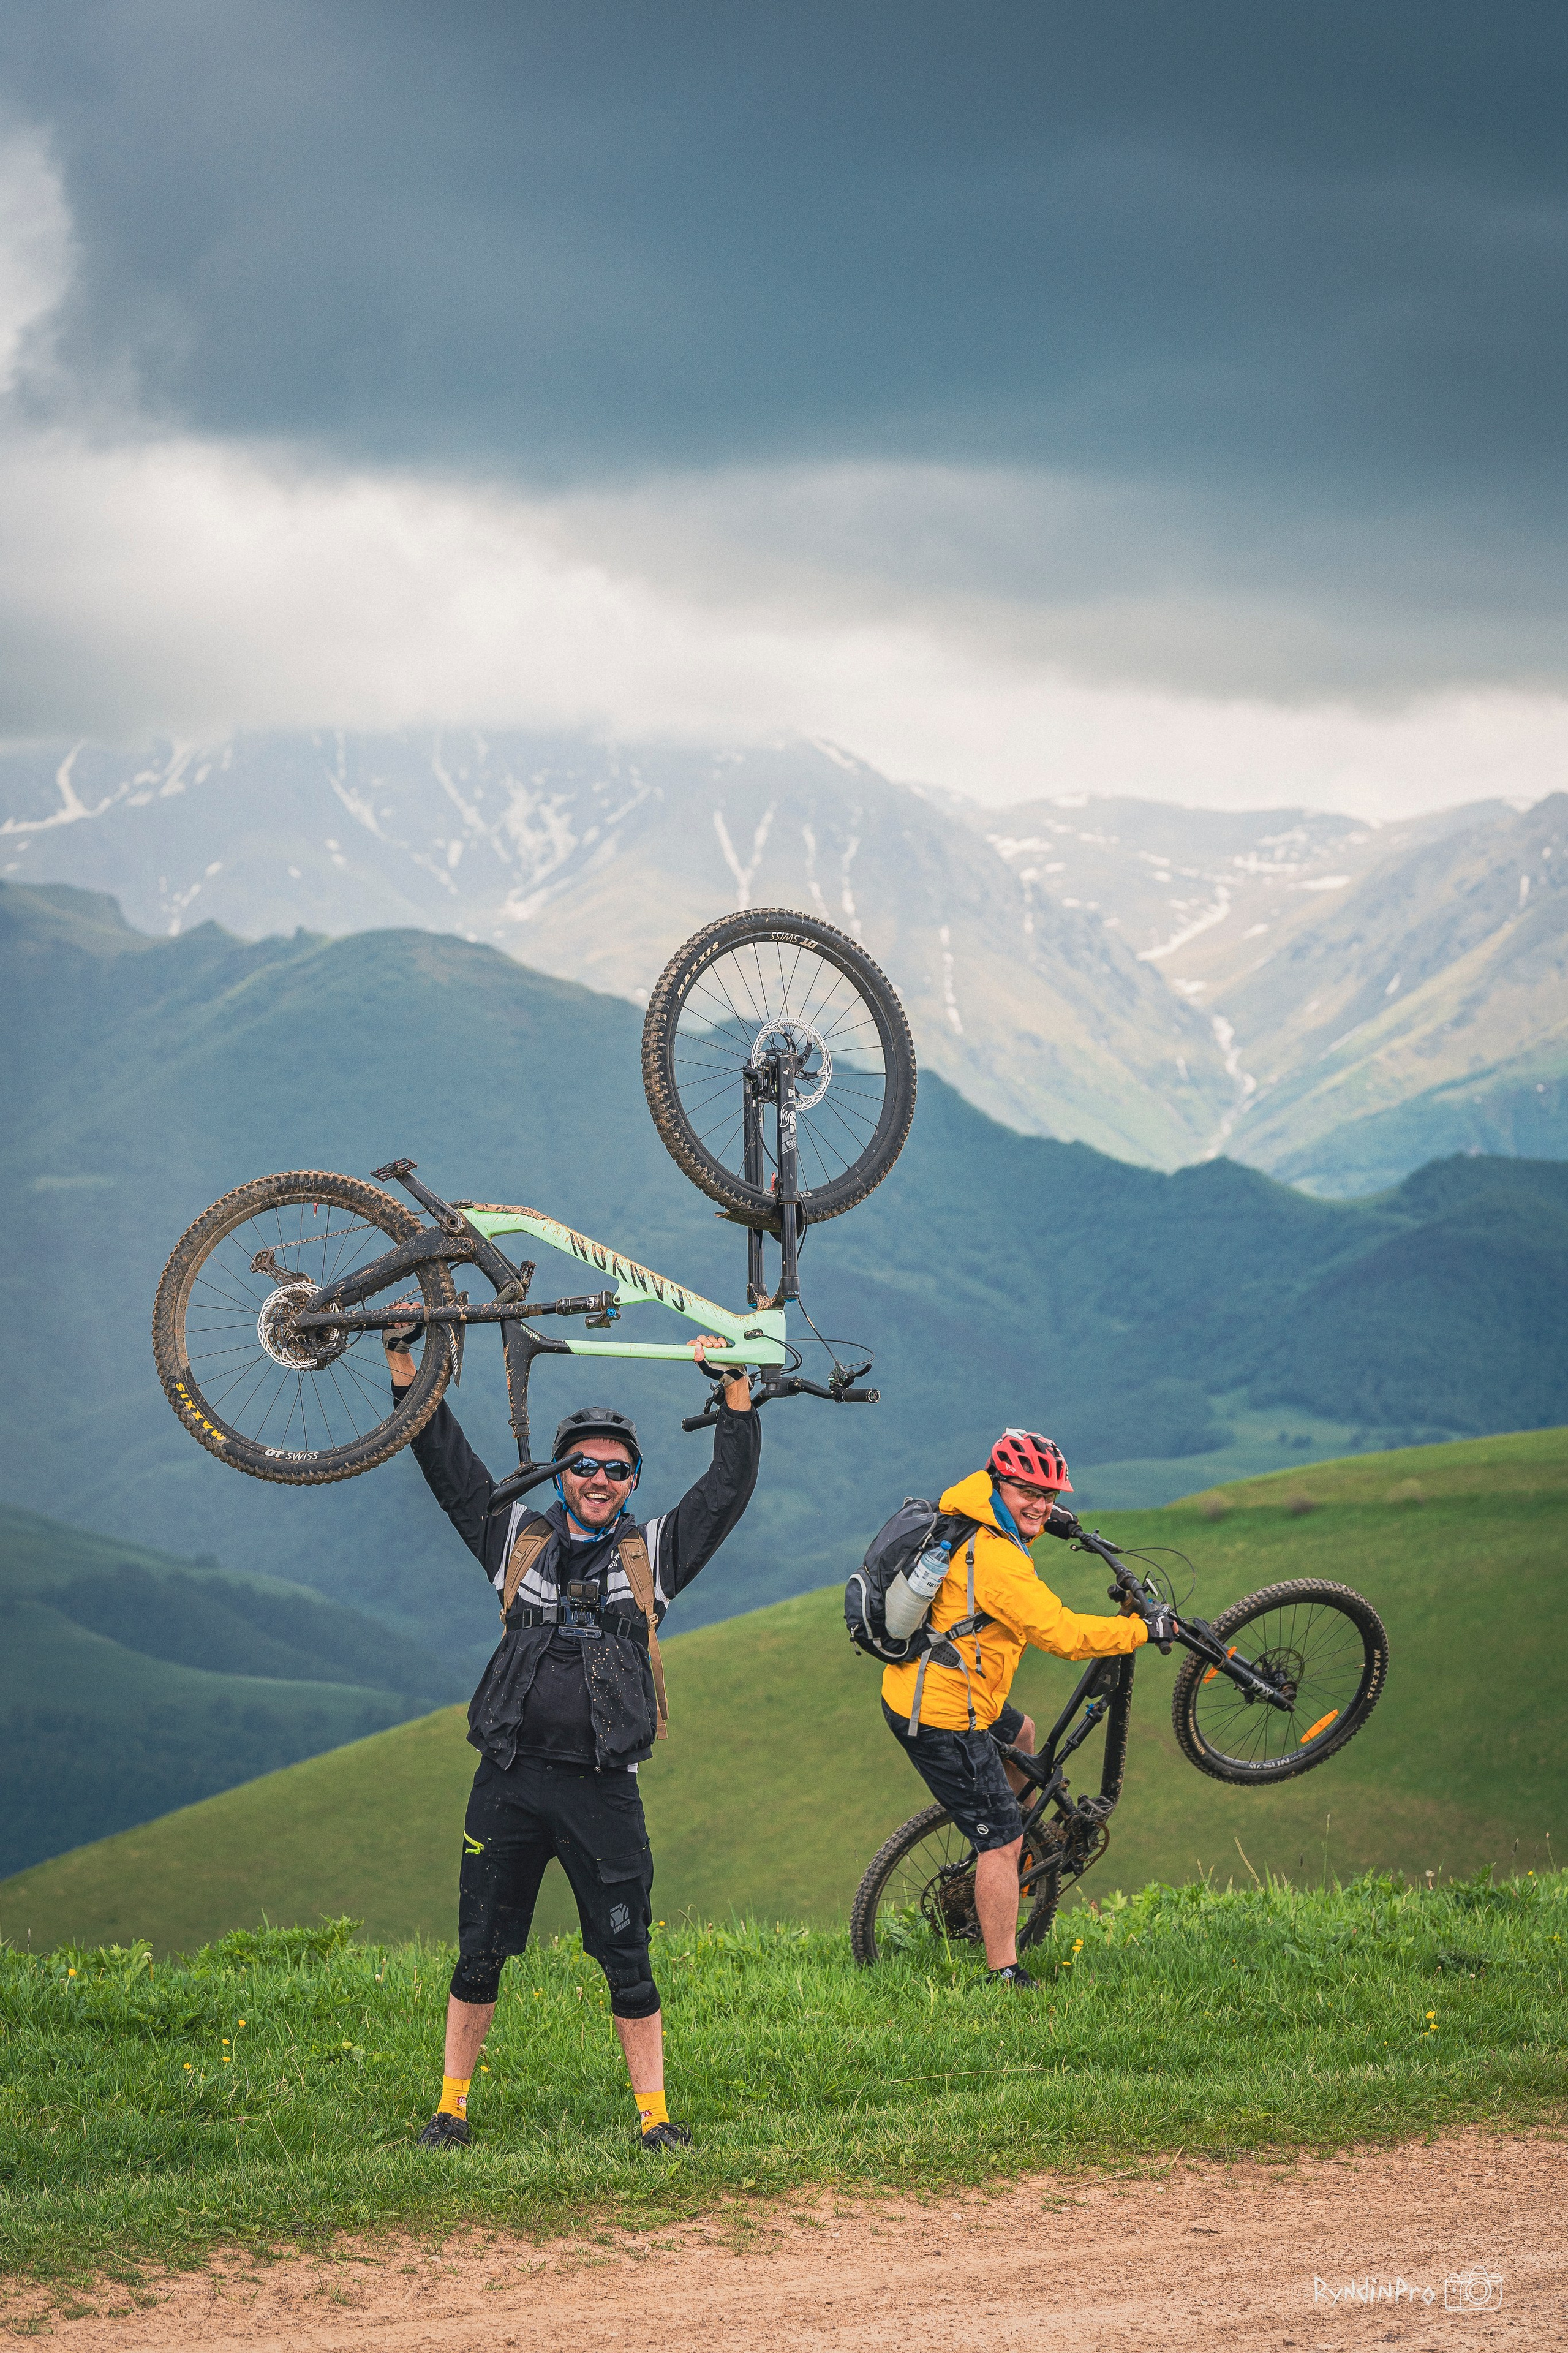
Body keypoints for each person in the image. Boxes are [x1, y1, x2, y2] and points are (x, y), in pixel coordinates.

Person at [381, 1312, 760, 2151]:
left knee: (629, 1958)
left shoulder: (652, 1554)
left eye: (615, 1470)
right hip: (509, 1779)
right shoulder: (513, 1535)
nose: (598, 1477)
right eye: (583, 1464)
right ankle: (450, 2112)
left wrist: (736, 1390)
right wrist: (405, 1360)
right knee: (479, 1950)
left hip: (603, 1788)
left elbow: (725, 1490)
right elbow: (445, 1463)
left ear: (631, 1482)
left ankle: (656, 2121)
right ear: (561, 1473)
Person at [880, 1427, 1170, 1988]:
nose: (1041, 1504)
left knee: (1024, 1730)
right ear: (999, 1484)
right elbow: (1059, 1633)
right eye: (1027, 1491)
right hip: (943, 1714)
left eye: (1051, 1494)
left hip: (943, 1686)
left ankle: (1033, 1851)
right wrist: (1137, 1630)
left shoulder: (969, 1506)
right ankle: (1003, 1967)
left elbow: (1026, 1521)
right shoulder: (996, 1559)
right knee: (1000, 1840)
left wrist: (1050, 1522)